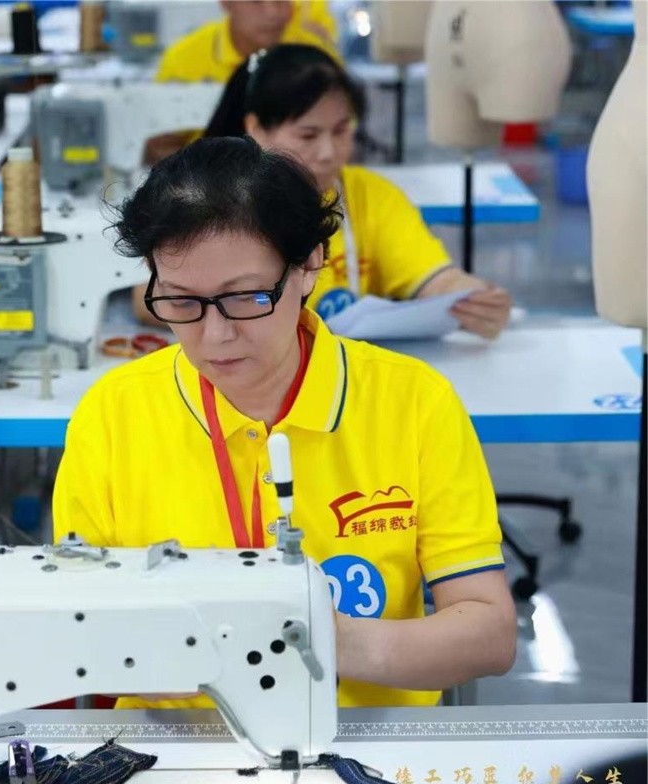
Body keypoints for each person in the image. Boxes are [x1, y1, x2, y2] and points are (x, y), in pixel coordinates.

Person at [54, 137, 517, 711]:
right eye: (181, 302)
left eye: (246, 297)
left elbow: (489, 633)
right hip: (183, 744)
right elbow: (79, 631)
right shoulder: (114, 414)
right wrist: (214, 657)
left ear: (309, 265)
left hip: (368, 741)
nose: (216, 336)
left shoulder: (413, 403)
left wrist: (320, 640)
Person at [135, 44, 511, 339]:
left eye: (342, 130)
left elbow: (434, 278)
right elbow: (148, 298)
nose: (329, 152)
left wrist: (474, 298)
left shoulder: (372, 197)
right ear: (256, 128)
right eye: (308, 135)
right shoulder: (209, 203)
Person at [155, 1, 339, 83]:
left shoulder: (316, 55)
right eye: (256, 1)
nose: (272, 13)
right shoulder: (182, 60)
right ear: (226, 3)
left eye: (281, 0)